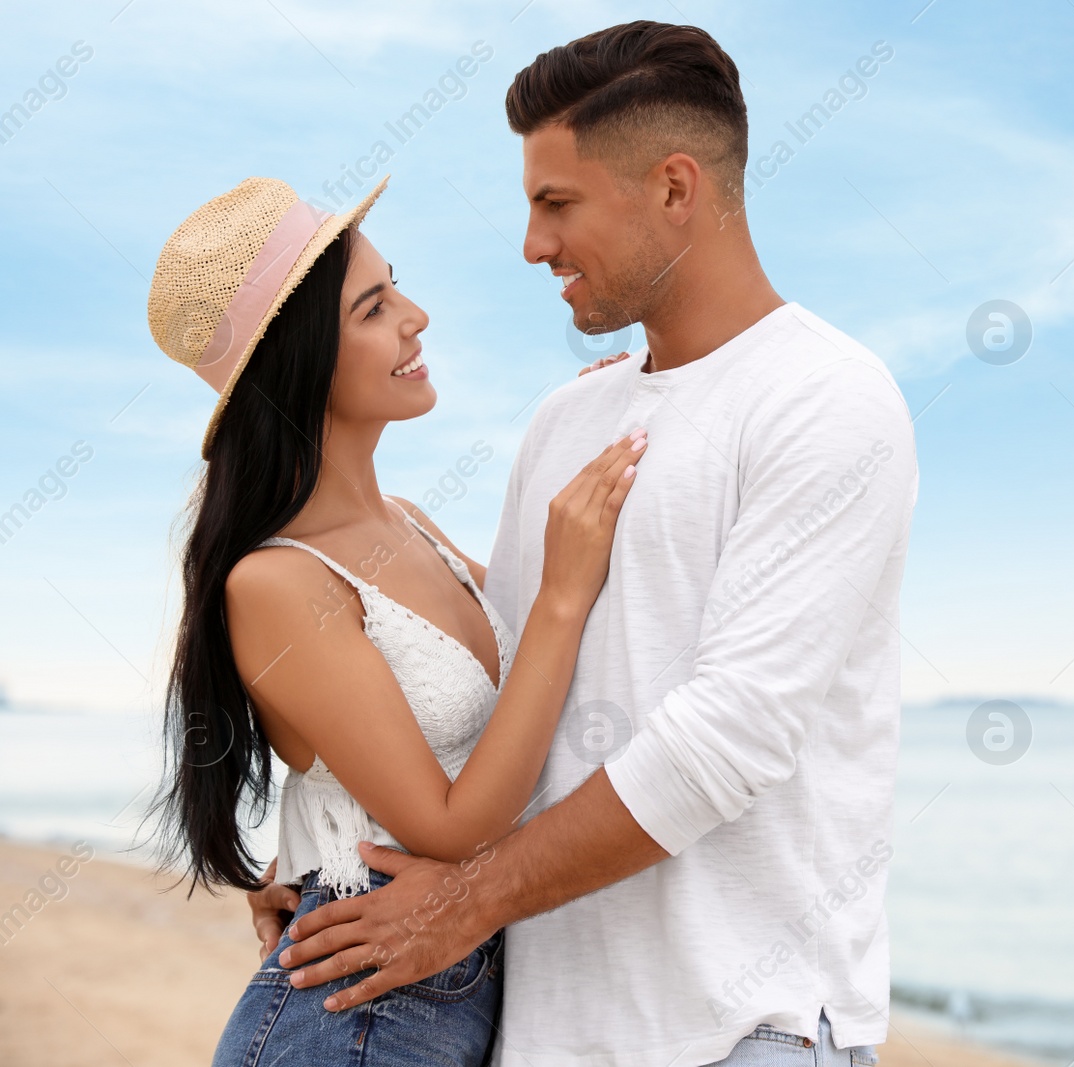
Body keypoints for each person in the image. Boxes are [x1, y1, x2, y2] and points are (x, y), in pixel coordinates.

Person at [265, 21, 919, 1067]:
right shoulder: (564, 424)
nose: (532, 243)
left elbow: (729, 737)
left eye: (555, 203)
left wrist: (462, 904)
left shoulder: (825, 401)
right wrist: (333, 863)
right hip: (545, 1035)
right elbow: (500, 698)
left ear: (673, 187)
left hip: (746, 1029)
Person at [147, 173, 649, 1066]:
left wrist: (603, 416)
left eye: (395, 287)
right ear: (297, 363)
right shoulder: (276, 581)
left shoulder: (412, 522)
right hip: (361, 1020)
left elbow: (569, 629)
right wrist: (562, 598)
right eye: (374, 307)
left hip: (434, 992)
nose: (417, 317)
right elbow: (448, 826)